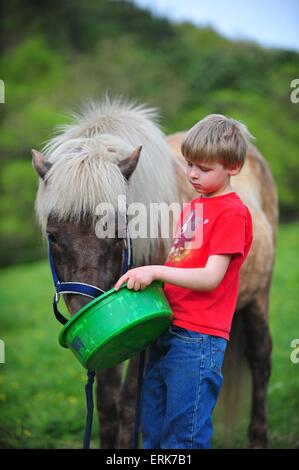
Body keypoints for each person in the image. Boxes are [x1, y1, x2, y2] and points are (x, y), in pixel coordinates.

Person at [114, 114, 253, 449]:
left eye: (204, 169)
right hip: (168, 331)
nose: (192, 174)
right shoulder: (193, 207)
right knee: (154, 431)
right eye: (189, 164)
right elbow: (184, 265)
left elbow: (210, 277)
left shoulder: (232, 213)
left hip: (198, 340)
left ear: (233, 167)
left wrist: (156, 271)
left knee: (184, 437)